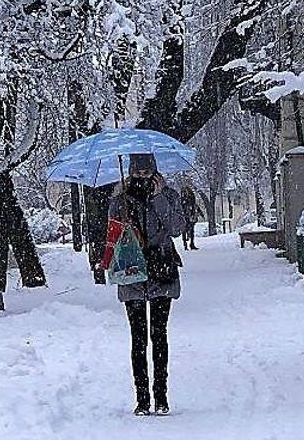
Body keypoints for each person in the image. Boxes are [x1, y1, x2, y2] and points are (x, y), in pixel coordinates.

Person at [106, 153, 186, 416]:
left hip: (162, 271)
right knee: (138, 339)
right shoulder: (120, 199)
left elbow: (176, 228)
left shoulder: (169, 195)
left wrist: (158, 198)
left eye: (146, 171)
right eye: (137, 172)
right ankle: (142, 399)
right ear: (130, 171)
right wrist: (122, 210)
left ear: (154, 170)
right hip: (133, 274)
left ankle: (161, 397)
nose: (142, 176)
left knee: (159, 336)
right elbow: (112, 233)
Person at [179, 184, 200, 250]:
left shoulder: (187, 199)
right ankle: (188, 244)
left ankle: (189, 244)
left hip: (188, 216)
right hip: (187, 216)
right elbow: (194, 206)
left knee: (188, 230)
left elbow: (194, 206)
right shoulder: (185, 199)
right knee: (188, 230)